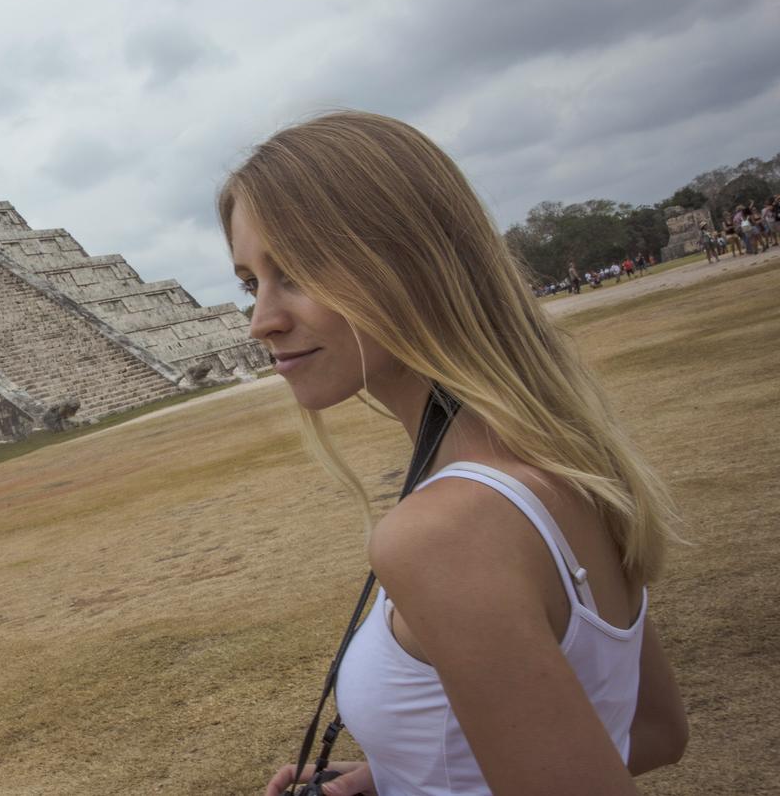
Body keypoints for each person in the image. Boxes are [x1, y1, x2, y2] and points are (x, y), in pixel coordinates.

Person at [219, 111, 687, 796]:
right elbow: (650, 732)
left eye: (297, 271)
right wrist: (404, 775)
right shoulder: (567, 459)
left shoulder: (443, 531)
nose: (261, 321)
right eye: (249, 283)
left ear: (408, 264)